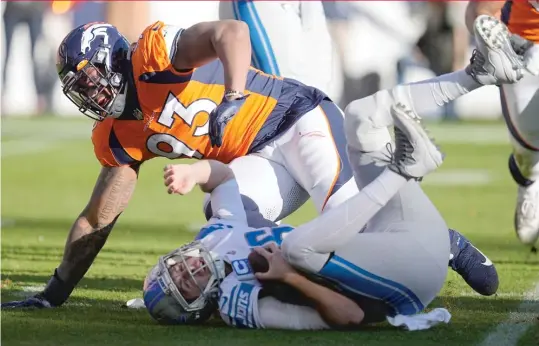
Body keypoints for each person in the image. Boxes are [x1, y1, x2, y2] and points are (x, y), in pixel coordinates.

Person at [141, 15, 523, 328]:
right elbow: (347, 314)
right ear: (202, 304)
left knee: (359, 117)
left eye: (177, 268)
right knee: (325, 235)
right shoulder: (239, 301)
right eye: (188, 282)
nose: (189, 267)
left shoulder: (215, 241)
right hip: (386, 274)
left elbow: (223, 179)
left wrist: (195, 173)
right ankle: (439, 231)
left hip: (298, 122)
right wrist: (288, 278)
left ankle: (476, 74)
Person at [0, 19, 359, 310]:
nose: (90, 95)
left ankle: (378, 289)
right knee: (223, 230)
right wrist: (55, 291)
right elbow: (98, 218)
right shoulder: (115, 133)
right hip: (257, 162)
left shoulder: (153, 56)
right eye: (80, 88)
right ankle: (299, 288)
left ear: (112, 59)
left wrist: (234, 95)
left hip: (299, 120)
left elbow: (231, 32)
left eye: (91, 80)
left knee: (348, 222)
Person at [466, 1, 539, 250]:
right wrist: (495, 42)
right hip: (527, 52)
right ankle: (530, 177)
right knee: (529, 149)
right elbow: (480, 11)